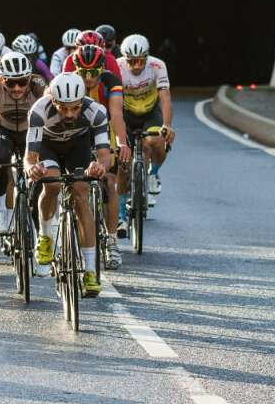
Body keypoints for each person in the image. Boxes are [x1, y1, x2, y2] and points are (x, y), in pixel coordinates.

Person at [25, 72, 110, 298]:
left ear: (82, 101)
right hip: (48, 146)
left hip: (77, 147)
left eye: (75, 108)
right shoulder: (38, 112)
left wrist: (99, 167)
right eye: (63, 108)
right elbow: (30, 156)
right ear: (53, 101)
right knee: (51, 185)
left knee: (81, 193)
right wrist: (31, 169)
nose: (70, 114)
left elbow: (104, 156)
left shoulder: (97, 112)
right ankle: (45, 236)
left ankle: (90, 270)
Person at [0, 51, 48, 234]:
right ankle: (1, 214)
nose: (16, 88)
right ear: (1, 79)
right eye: (10, 82)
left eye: (22, 82)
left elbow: (52, 117)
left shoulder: (39, 84)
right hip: (1, 128)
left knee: (41, 169)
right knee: (0, 160)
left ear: (30, 78)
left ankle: (37, 216)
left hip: (29, 129)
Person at [69, 43, 129, 267]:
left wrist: (122, 142)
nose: (89, 78)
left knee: (109, 180)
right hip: (77, 129)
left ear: (102, 69)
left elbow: (116, 114)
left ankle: (112, 242)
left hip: (104, 126)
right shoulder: (70, 82)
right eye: (83, 73)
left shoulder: (111, 80)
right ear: (76, 70)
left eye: (94, 73)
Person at [116, 34, 174, 207]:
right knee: (123, 160)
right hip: (126, 113)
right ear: (125, 59)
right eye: (131, 62)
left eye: (140, 61)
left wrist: (167, 125)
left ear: (147, 57)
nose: (136, 66)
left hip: (150, 112)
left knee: (156, 140)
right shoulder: (117, 67)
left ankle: (153, 173)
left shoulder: (157, 65)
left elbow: (165, 97)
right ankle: (121, 211)